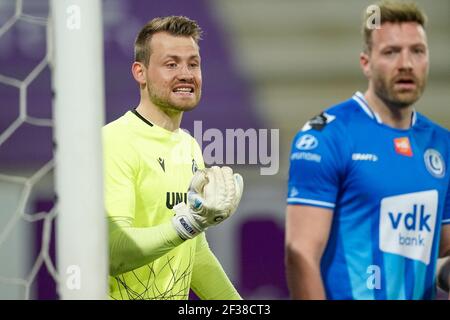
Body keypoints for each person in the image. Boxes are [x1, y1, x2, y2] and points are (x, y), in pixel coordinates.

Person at [285, 0, 450, 300]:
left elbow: (442, 243)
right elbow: (300, 251)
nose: (406, 63)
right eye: (391, 52)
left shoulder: (442, 144)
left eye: (417, 50)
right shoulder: (326, 136)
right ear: (366, 62)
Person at [103, 16, 243, 300]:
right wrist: (188, 223)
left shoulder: (188, 146)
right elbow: (112, 252)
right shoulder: (114, 141)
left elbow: (196, 254)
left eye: (193, 64)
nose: (186, 74)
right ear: (139, 72)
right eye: (171, 64)